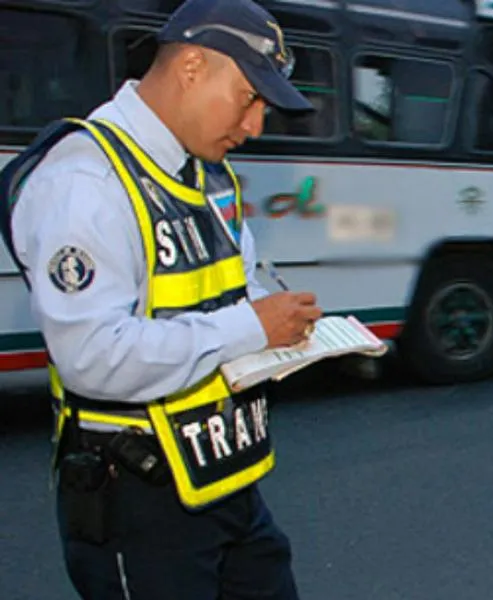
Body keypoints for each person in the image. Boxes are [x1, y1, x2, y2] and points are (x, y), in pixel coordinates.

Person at [0, 0, 323, 597]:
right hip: (139, 499)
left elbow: (240, 283)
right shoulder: (85, 180)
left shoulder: (205, 174)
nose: (256, 126)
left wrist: (288, 325)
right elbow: (92, 355)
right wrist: (253, 328)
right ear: (192, 66)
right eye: (250, 98)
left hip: (224, 481)